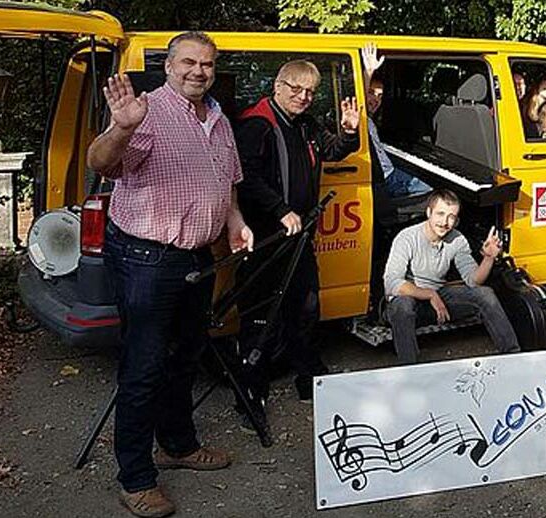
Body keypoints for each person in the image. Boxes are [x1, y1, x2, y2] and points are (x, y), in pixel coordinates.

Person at [87, 31, 249, 518]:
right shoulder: (146, 111)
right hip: (146, 258)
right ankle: (135, 479)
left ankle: (177, 446)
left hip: (197, 258)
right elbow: (102, 161)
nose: (199, 71)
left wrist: (235, 221)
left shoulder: (218, 118)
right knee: (144, 368)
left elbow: (229, 183)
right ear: (168, 65)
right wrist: (119, 129)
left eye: (207, 64)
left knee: (185, 357)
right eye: (188, 62)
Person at [233, 60, 360, 409]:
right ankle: (251, 391)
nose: (303, 97)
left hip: (300, 236)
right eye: (296, 89)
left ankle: (310, 377)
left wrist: (349, 133)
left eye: (309, 92)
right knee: (260, 314)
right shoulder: (257, 123)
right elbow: (243, 177)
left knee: (306, 308)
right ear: (278, 85)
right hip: (263, 238)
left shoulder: (304, 123)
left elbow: (332, 151)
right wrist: (280, 209)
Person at [382, 189, 520, 364]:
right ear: (428, 213)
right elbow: (392, 283)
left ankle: (513, 358)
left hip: (440, 302)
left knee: (485, 294)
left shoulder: (457, 239)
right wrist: (430, 294)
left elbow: (473, 280)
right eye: (440, 214)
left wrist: (489, 257)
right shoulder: (407, 238)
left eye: (451, 217)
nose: (445, 222)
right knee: (402, 305)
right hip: (411, 303)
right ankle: (410, 370)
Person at [360, 42, 431, 198]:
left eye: (380, 96)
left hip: (387, 172)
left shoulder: (370, 119)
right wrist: (369, 72)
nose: (375, 100)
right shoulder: (359, 116)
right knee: (433, 190)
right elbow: (358, 103)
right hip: (386, 178)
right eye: (371, 93)